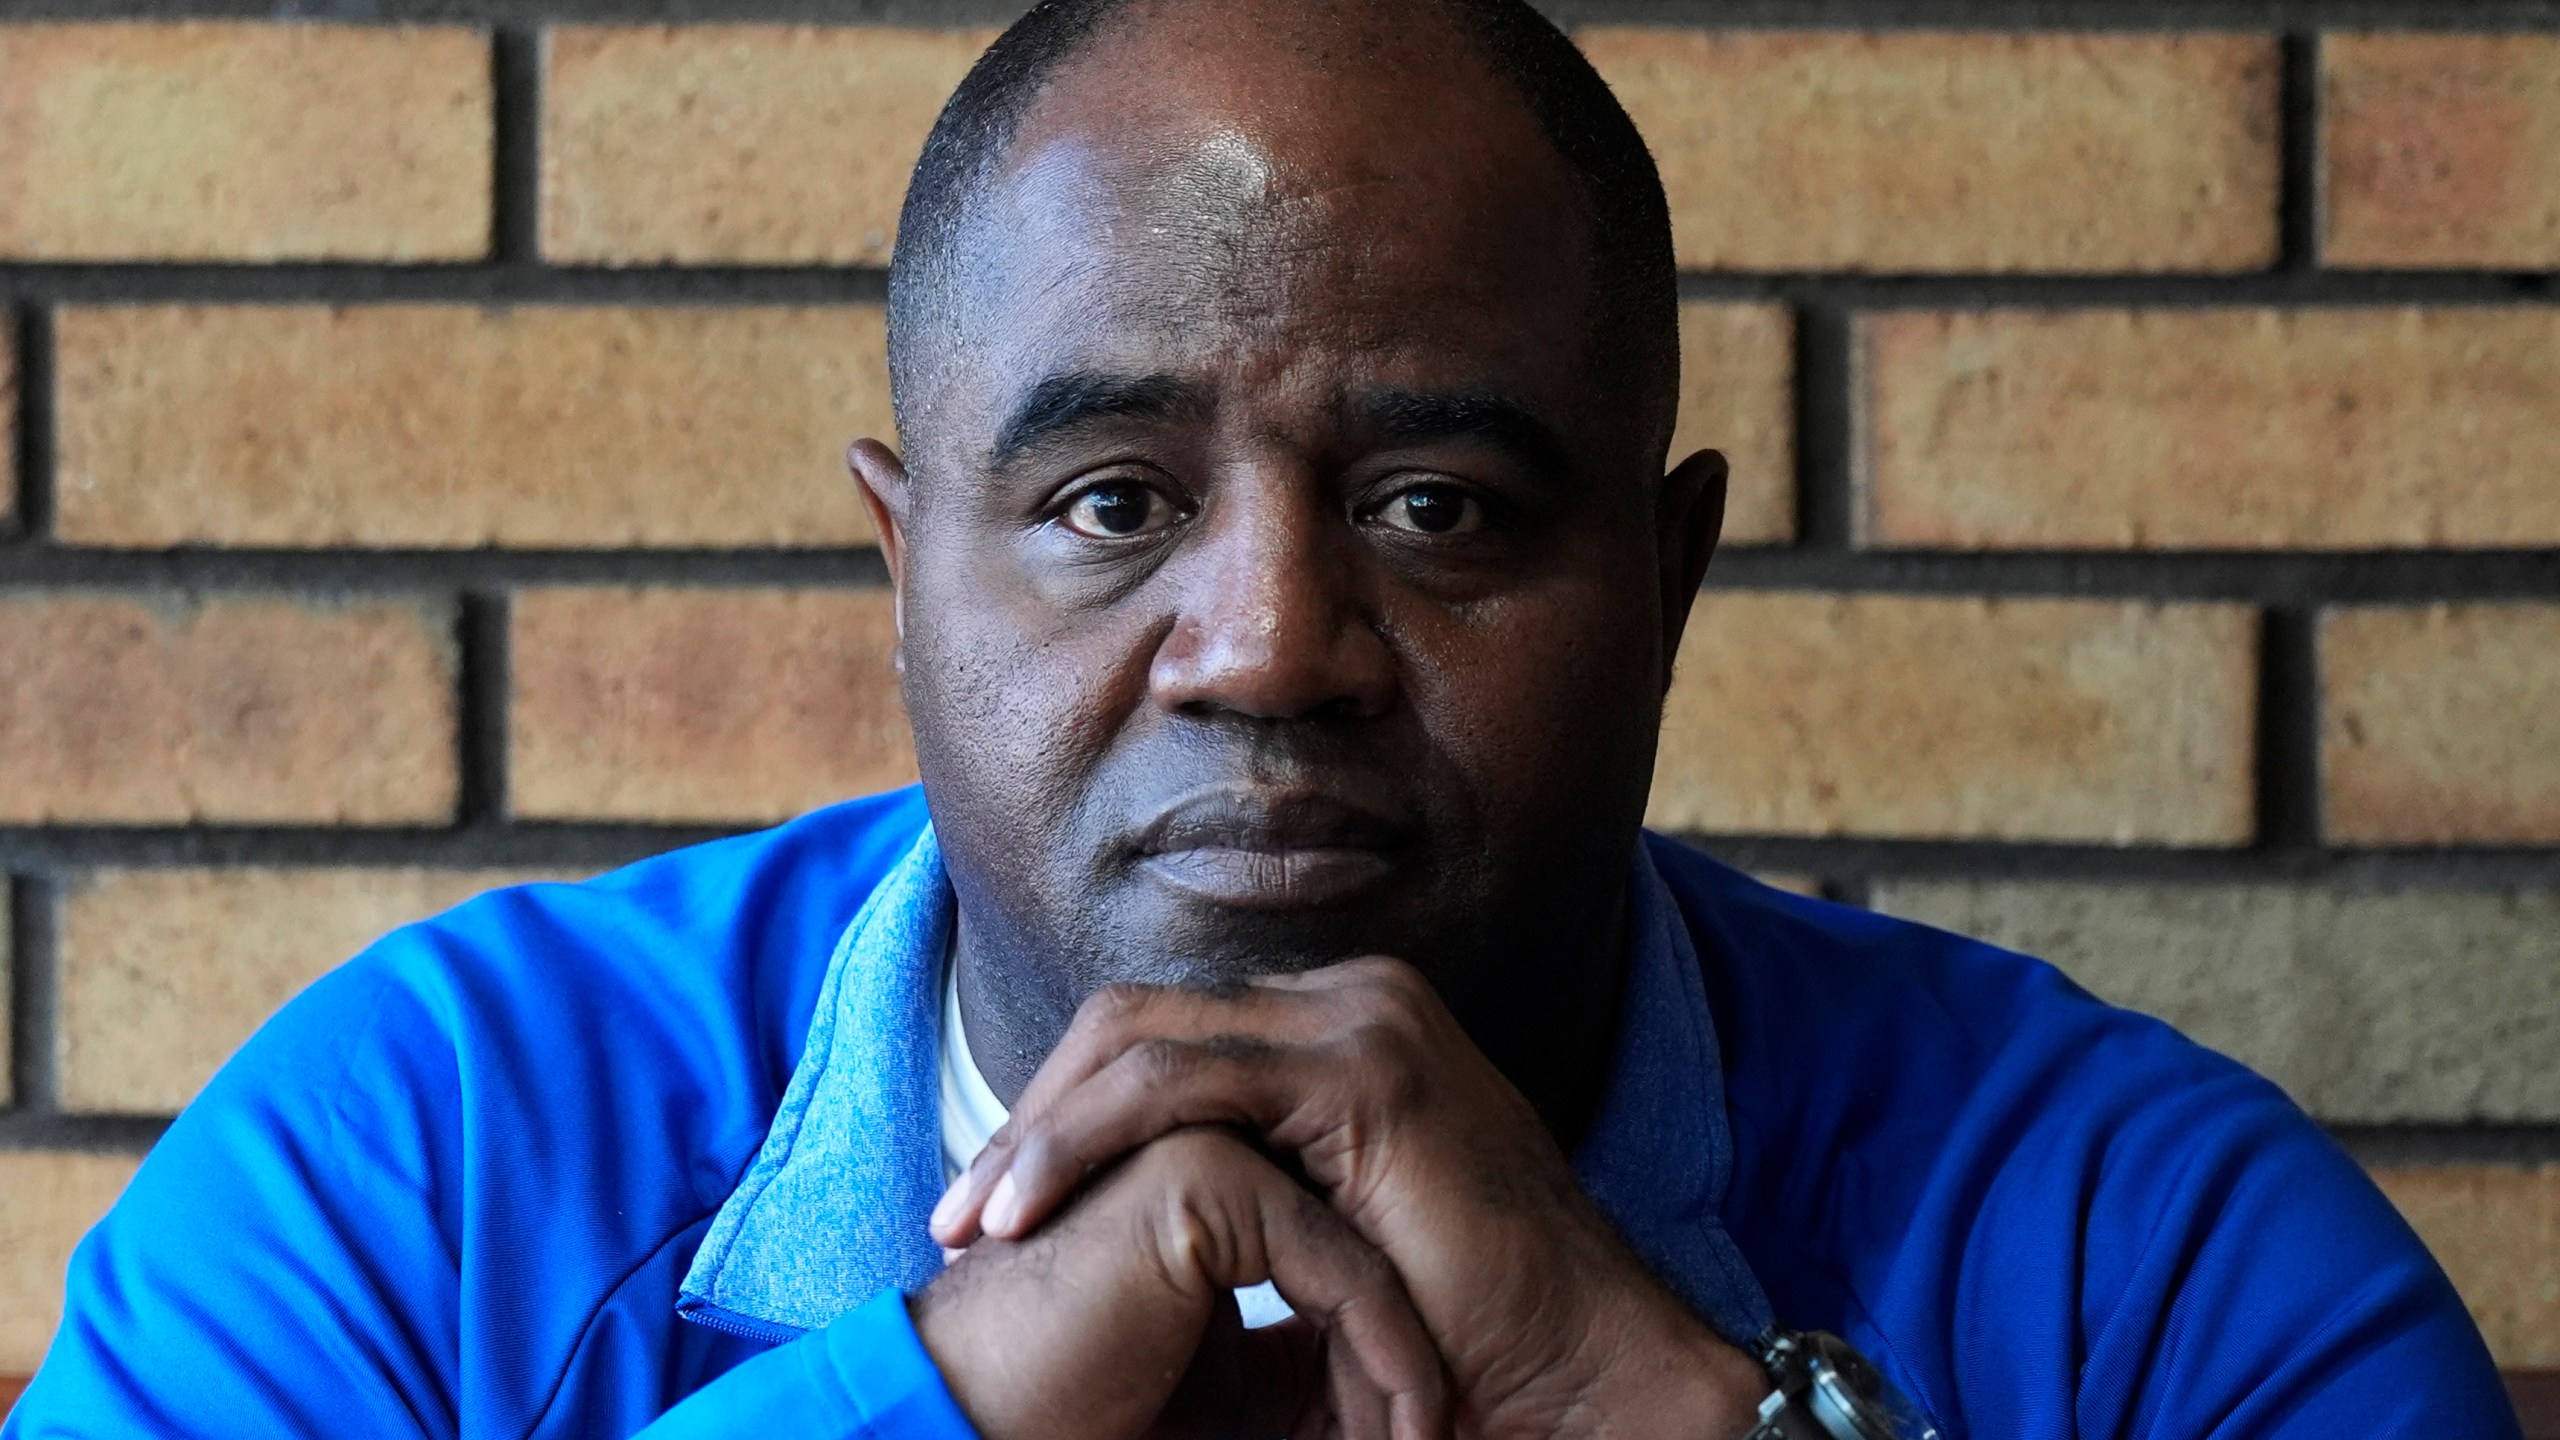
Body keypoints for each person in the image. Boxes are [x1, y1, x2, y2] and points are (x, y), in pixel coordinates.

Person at [5, 0, 2518, 1436]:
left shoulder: (2131, 1254)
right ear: (907, 572)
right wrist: (936, 1395)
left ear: (1662, 587)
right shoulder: (416, 1172)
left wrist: (1668, 1414)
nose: (1267, 645)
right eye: (1107, 503)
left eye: (1435, 509)